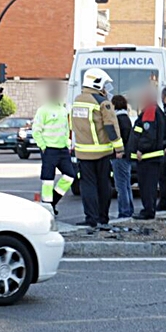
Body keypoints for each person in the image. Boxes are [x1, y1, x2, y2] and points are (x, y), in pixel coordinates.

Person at [70, 68, 123, 228]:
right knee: (104, 186)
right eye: (104, 85)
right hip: (102, 152)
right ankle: (102, 217)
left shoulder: (77, 100)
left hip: (82, 152)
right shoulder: (102, 103)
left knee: (87, 187)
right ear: (97, 83)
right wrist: (119, 148)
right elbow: (110, 127)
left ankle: (90, 218)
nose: (106, 89)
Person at [31, 80, 75, 214]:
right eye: (53, 91)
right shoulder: (43, 110)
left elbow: (67, 129)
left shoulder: (63, 110)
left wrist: (67, 144)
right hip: (49, 149)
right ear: (49, 94)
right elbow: (36, 130)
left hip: (62, 150)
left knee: (70, 176)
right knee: (48, 180)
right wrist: (43, 146)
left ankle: (53, 202)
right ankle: (47, 207)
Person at [125, 91, 166, 219]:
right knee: (150, 185)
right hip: (153, 157)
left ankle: (148, 211)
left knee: (146, 185)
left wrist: (141, 149)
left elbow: (148, 134)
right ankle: (149, 209)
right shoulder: (156, 111)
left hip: (147, 157)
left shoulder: (150, 111)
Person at [111, 94, 134, 219]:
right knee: (126, 184)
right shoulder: (126, 118)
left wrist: (119, 151)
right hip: (127, 155)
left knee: (121, 185)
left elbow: (120, 137)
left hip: (120, 155)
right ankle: (129, 209)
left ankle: (124, 211)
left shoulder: (118, 120)